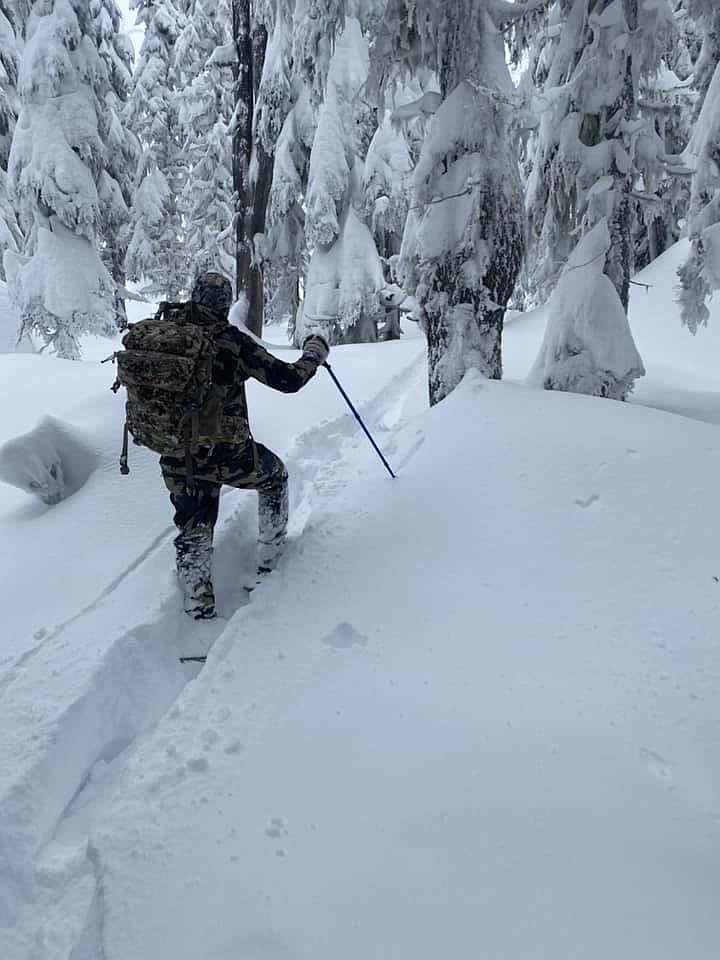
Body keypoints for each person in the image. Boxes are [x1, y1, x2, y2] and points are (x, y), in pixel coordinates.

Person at [160, 271, 329, 620]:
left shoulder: (166, 331)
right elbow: (288, 380)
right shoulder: (231, 341)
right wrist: (313, 354)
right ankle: (269, 556)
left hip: (175, 451)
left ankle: (197, 606)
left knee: (194, 524)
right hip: (225, 452)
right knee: (274, 476)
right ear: (224, 303)